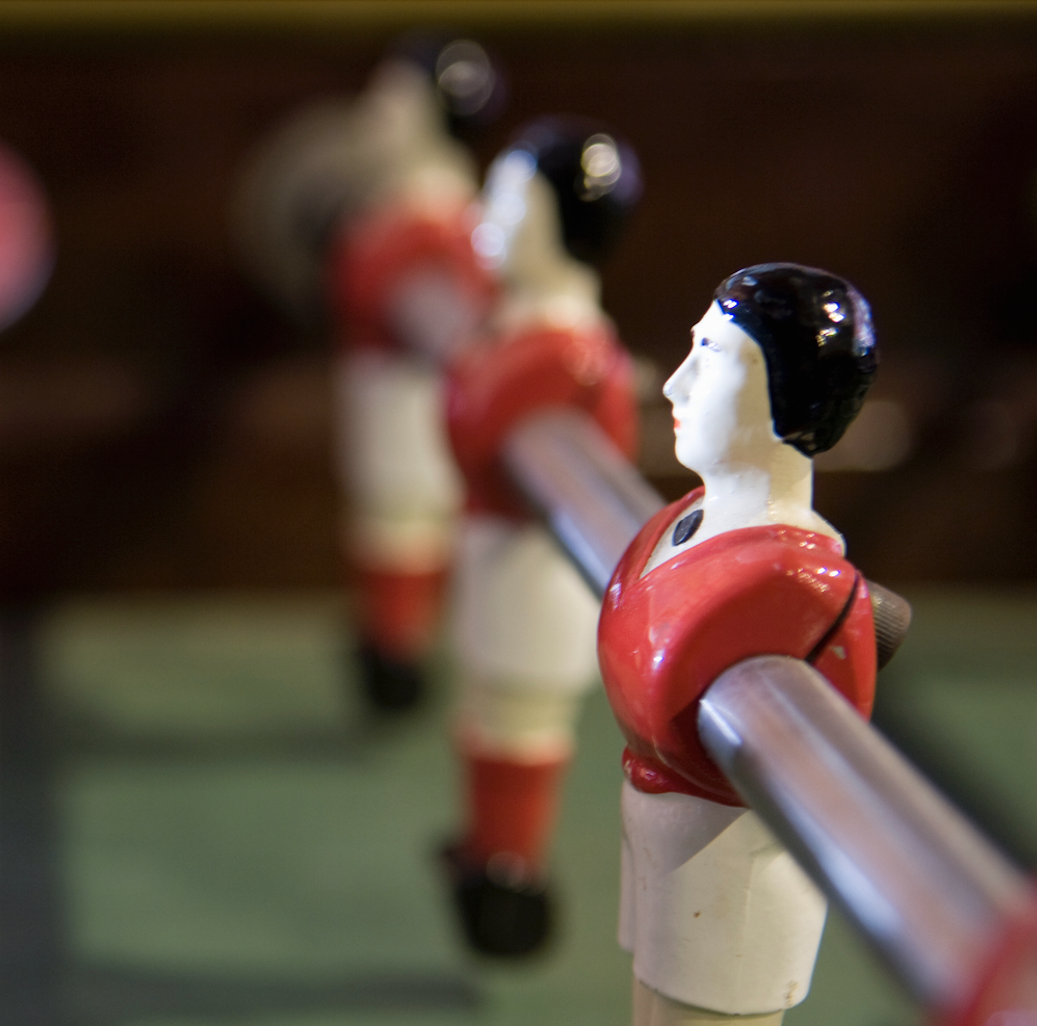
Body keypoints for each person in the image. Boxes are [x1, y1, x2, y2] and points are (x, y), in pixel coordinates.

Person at [600, 264, 879, 1024]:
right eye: (693, 349)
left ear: (792, 394)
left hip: (735, 868)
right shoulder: (687, 518)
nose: (676, 384)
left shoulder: (802, 592)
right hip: (663, 825)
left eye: (714, 359)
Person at [438, 117, 642, 956]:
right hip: (497, 556)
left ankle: (512, 869)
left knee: (520, 712)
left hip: (536, 578)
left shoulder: (565, 354)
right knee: (488, 705)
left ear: (561, 226)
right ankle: (485, 847)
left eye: (509, 200)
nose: (484, 213)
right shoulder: (518, 329)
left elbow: (475, 421)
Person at [321, 37, 504, 711]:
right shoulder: (395, 207)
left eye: (394, 99)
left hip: (410, 402)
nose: (377, 113)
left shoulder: (438, 222)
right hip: (377, 391)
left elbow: (443, 314)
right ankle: (385, 639)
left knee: (404, 520)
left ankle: (398, 653)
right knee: (382, 519)